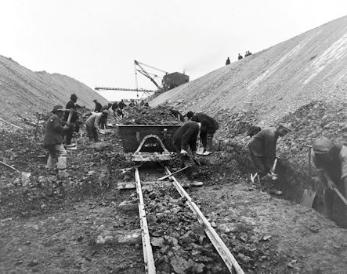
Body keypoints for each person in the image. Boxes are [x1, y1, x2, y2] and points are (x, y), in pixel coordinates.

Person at [312, 137, 347, 223]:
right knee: (327, 189)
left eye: (328, 153)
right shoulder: (315, 155)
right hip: (328, 171)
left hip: (341, 168)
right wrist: (329, 180)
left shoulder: (343, 152)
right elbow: (321, 169)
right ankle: (328, 213)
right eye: (323, 155)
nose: (327, 156)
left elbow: (346, 175)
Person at [43, 105, 69, 178]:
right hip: (53, 141)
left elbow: (57, 123)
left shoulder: (53, 118)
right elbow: (57, 127)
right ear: (58, 112)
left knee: (52, 154)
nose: (63, 114)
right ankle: (62, 172)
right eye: (62, 112)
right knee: (63, 153)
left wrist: (64, 123)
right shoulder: (55, 117)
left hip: (48, 141)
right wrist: (64, 128)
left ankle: (49, 169)